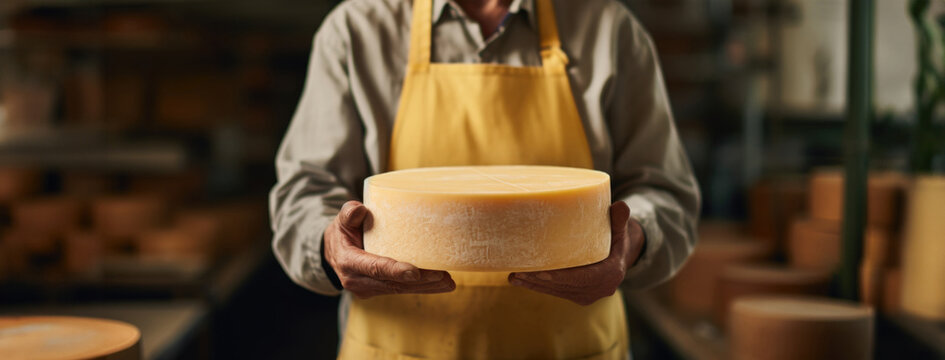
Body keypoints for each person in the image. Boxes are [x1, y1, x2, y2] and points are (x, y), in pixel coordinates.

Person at [270, 0, 700, 358]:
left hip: (572, 348)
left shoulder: (610, 31)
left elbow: (667, 193)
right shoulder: (356, 30)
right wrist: (332, 246)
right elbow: (303, 196)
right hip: (396, 347)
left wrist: (632, 242)